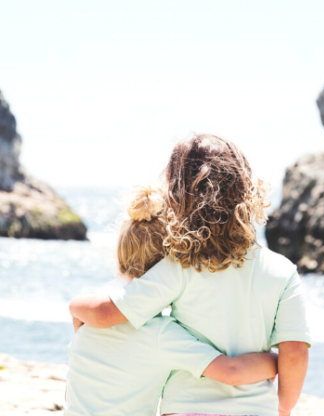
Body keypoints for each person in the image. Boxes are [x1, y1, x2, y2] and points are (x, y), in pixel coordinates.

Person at [70, 135, 311, 416]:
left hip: (187, 408)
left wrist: (75, 309)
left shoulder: (180, 265)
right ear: (246, 188)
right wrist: (283, 405)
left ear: (177, 195)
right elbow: (295, 352)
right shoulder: (283, 271)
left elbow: (107, 313)